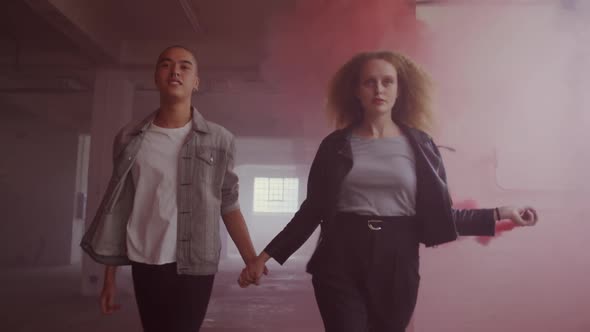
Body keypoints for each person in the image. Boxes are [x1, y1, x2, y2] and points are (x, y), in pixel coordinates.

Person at [238, 50, 538, 332]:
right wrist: (261, 258)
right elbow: (311, 211)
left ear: (399, 90)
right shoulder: (335, 145)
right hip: (338, 259)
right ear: (356, 91)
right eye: (369, 82)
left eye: (387, 82)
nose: (378, 89)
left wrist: (501, 213)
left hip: (398, 262)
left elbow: (442, 215)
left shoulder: (421, 146)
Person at [81, 45, 263, 332]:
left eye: (185, 66)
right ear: (156, 77)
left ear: (196, 81)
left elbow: (228, 202)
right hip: (145, 259)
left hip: (196, 263)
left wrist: (251, 258)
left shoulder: (219, 139)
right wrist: (109, 277)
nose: (175, 70)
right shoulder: (128, 138)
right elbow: (118, 207)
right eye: (166, 65)